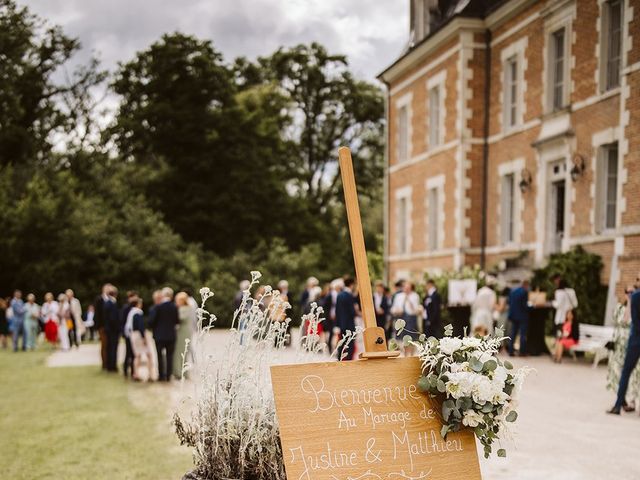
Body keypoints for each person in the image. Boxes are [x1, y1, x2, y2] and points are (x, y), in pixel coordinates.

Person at [607, 287, 640, 412]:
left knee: (626, 372)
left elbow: (635, 321)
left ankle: (618, 405)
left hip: (635, 339)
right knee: (626, 372)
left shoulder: (636, 297)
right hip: (635, 338)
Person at [149, 287, 179, 382]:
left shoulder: (158, 307)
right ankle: (168, 376)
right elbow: (177, 321)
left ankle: (161, 376)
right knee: (169, 357)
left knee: (159, 356)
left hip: (159, 336)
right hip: (171, 336)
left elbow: (152, 322)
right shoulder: (175, 307)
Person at [392, 281, 421, 356]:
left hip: (411, 319)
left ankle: (411, 354)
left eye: (408, 288)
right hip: (401, 318)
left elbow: (415, 309)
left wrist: (408, 298)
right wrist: (397, 311)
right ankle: (404, 355)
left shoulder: (415, 296)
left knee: (411, 338)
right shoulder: (398, 296)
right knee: (402, 339)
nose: (406, 289)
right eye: (405, 287)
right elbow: (394, 308)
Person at [128, 298, 153, 382]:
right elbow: (141, 327)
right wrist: (144, 338)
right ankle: (150, 374)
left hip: (133, 335)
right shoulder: (138, 313)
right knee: (149, 354)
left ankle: (136, 373)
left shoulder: (131, 313)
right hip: (139, 335)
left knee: (137, 355)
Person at [174, 291, 196, 379]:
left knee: (182, 352)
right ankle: (179, 371)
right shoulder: (187, 308)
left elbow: (180, 318)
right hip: (183, 331)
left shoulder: (186, 308)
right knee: (181, 352)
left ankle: (180, 372)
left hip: (184, 332)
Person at [335, 277, 357, 361]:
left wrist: (337, 324)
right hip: (349, 323)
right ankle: (348, 359)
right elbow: (352, 311)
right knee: (350, 343)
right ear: (351, 285)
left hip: (341, 323)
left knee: (342, 341)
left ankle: (340, 357)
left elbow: (337, 311)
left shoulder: (340, 295)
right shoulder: (349, 295)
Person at [508, 279, 530, 357]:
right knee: (522, 334)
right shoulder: (524, 292)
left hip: (513, 315)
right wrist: (531, 307)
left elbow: (510, 302)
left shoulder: (513, 291)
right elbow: (525, 305)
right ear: (526, 285)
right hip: (522, 316)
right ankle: (522, 352)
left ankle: (511, 350)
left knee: (513, 333)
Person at [94, 284, 112, 370]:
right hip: (102, 326)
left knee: (109, 345)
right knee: (104, 345)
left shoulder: (111, 300)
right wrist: (100, 326)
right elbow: (97, 315)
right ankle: (104, 364)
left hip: (110, 327)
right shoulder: (99, 300)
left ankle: (109, 362)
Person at [104, 286, 120, 372]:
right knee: (113, 348)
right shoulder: (112, 303)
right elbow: (113, 319)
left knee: (109, 347)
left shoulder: (107, 303)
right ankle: (112, 366)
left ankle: (109, 365)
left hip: (108, 329)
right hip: (113, 330)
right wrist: (117, 328)